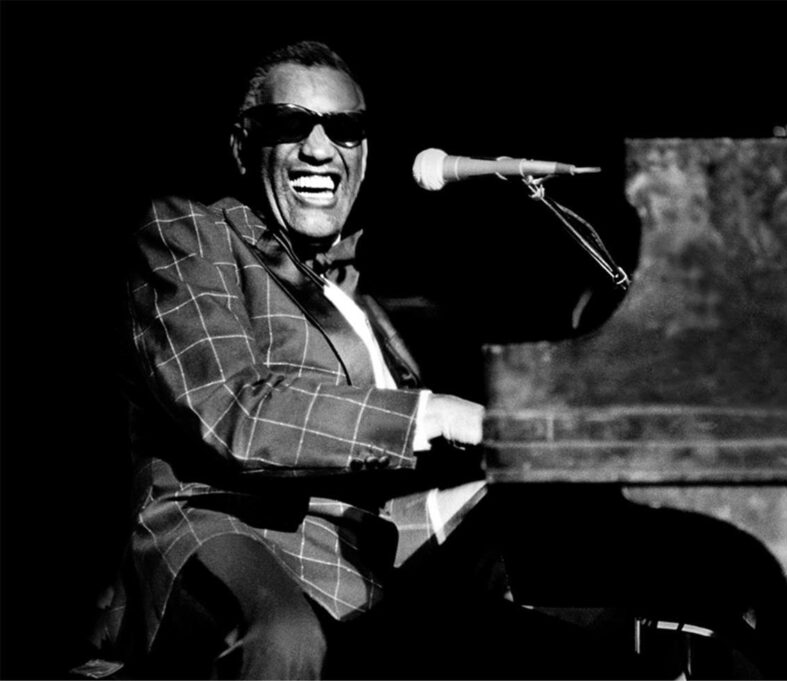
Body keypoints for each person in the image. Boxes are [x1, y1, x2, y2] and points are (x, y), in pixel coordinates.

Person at [106, 40, 653, 680]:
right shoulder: (187, 232)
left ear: (363, 156)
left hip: (367, 562)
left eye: (344, 129)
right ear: (242, 146)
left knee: (584, 642)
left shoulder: (362, 302)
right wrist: (438, 413)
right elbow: (237, 411)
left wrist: (513, 469)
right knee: (283, 638)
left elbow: (378, 501)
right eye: (290, 125)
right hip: (230, 536)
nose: (319, 148)